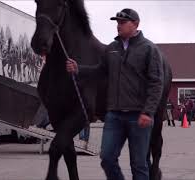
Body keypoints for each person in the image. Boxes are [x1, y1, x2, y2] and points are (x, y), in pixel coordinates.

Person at [66, 8, 164, 180]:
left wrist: (148, 112)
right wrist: (78, 69)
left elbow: (156, 83)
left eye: (122, 22)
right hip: (114, 115)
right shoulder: (112, 48)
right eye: (117, 22)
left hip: (138, 116)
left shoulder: (149, 49)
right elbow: (100, 71)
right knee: (107, 158)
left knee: (139, 164)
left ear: (135, 24)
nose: (118, 26)